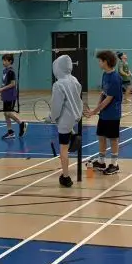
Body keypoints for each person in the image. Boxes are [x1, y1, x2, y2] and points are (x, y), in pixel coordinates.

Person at [85, 50, 123, 175]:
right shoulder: (105, 75)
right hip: (104, 114)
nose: (99, 63)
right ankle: (101, 162)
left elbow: (108, 99)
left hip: (112, 114)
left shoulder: (115, 78)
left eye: (100, 61)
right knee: (101, 137)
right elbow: (103, 93)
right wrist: (97, 109)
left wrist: (94, 111)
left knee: (113, 139)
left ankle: (114, 164)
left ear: (105, 62)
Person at [49, 54, 83, 187]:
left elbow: (56, 106)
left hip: (65, 120)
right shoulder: (74, 80)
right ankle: (73, 135)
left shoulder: (58, 85)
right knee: (68, 131)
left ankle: (66, 177)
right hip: (76, 117)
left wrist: (51, 117)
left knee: (63, 148)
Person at [0, 53, 26, 141]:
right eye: (3, 60)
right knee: (5, 113)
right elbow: (4, 83)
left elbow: (13, 84)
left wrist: (1, 89)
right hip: (5, 95)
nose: (3, 62)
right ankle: (10, 132)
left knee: (8, 113)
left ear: (10, 61)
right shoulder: (4, 71)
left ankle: (21, 123)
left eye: (5, 61)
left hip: (10, 95)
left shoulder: (11, 71)